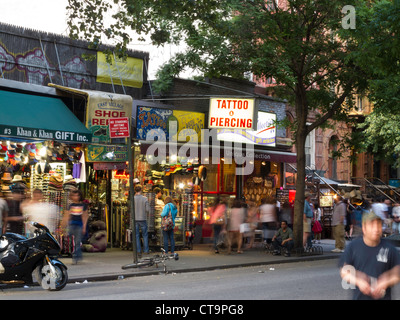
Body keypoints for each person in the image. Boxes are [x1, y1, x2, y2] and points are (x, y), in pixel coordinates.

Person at [339, 211, 400, 300]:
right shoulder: (353, 247)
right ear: (364, 228)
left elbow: (397, 274)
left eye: (378, 225)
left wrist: (386, 281)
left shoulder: (390, 248)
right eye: (372, 225)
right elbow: (344, 272)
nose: (376, 229)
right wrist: (358, 281)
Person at [62, 189, 88, 264]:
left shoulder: (83, 205)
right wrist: (64, 225)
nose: (75, 197)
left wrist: (84, 226)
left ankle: (76, 257)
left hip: (79, 225)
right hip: (71, 225)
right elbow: (67, 216)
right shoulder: (70, 206)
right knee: (71, 242)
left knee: (77, 241)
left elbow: (84, 216)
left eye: (77, 195)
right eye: (74, 195)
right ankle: (78, 255)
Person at [134, 185, 150, 256]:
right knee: (145, 235)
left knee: (137, 235)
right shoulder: (145, 198)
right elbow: (148, 209)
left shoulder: (133, 198)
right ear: (141, 190)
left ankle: (138, 250)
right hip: (143, 218)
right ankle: (146, 250)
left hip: (135, 219)